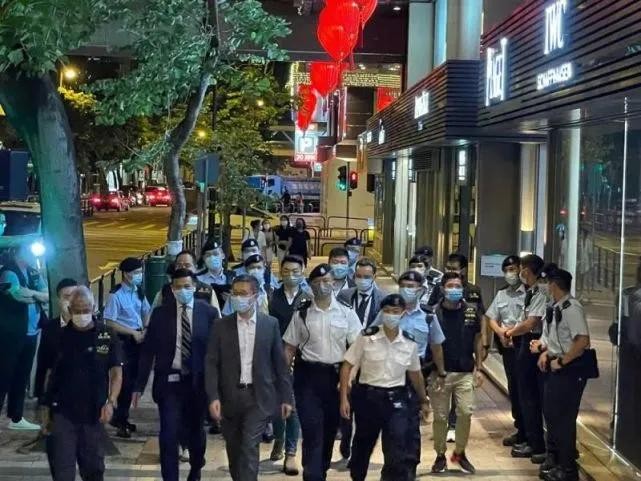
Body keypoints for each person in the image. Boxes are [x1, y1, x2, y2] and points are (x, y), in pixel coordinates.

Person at [133, 269, 219, 481]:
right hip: (169, 383)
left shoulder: (208, 313)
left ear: (195, 287)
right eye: (178, 287)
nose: (183, 290)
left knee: (196, 433)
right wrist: (139, 386)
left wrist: (217, 389)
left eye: (187, 286)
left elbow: (216, 353)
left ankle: (196, 467)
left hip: (198, 384)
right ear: (172, 289)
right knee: (169, 434)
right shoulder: (160, 314)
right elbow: (148, 351)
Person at [205, 275, 293, 481]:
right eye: (235, 293)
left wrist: (287, 398)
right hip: (230, 397)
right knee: (234, 450)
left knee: (249, 446)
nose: (238, 298)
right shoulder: (221, 326)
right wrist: (213, 396)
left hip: (258, 397)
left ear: (255, 296)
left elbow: (280, 365)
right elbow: (211, 363)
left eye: (243, 294)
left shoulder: (269, 324)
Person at [283, 264, 362, 481]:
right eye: (317, 282)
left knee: (328, 432)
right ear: (310, 286)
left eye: (326, 281)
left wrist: (349, 378)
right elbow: (289, 348)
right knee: (312, 431)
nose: (323, 286)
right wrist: (282, 380)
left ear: (334, 283)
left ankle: (320, 470)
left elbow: (358, 349)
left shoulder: (346, 313)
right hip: (308, 379)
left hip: (336, 379)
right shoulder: (302, 313)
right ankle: (313, 474)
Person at [340, 294, 431, 481]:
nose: (391, 315)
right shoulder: (367, 337)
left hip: (396, 402)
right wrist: (344, 398)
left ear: (403, 313)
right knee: (362, 447)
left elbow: (415, 375)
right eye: (387, 311)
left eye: (395, 312)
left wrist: (423, 400)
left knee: (397, 449)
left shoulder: (409, 342)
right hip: (368, 399)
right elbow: (347, 365)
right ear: (382, 312)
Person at [372, 270, 446, 481]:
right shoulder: (388, 313)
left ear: (421, 289)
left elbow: (436, 345)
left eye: (411, 286)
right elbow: (371, 338)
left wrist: (441, 373)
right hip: (389, 374)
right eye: (403, 285)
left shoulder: (428, 316)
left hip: (416, 376)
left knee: (412, 424)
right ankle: (390, 466)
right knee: (390, 423)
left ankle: (410, 465)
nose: (407, 290)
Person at [43, 286, 123, 481]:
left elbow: (116, 373)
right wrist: (45, 410)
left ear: (93, 308)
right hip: (63, 411)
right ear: (70, 310)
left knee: (93, 468)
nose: (82, 314)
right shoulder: (59, 336)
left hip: (94, 412)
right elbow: (49, 374)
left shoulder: (106, 335)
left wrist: (111, 401)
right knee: (63, 469)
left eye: (86, 309)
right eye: (77, 311)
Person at [531, 269, 592, 481]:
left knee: (563, 419)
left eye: (547, 283)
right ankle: (558, 461)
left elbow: (582, 341)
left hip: (570, 370)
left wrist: (562, 361)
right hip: (557, 367)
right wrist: (546, 352)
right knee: (553, 415)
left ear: (554, 285)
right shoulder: (557, 307)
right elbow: (559, 339)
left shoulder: (571, 308)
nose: (545, 287)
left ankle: (568, 470)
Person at [429, 272, 483, 474]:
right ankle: (440, 455)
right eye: (450, 286)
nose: (454, 289)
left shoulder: (471, 312)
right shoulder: (433, 313)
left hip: (465, 372)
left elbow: (478, 339)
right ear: (442, 289)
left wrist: (479, 367)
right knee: (440, 417)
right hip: (439, 374)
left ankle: (459, 453)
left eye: (458, 286)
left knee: (465, 412)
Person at [335, 257, 387, 461]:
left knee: (365, 406)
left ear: (374, 276)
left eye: (366, 276)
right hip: (346, 356)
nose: (362, 280)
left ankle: (359, 447)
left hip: (370, 358)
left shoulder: (383, 299)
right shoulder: (344, 296)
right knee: (345, 398)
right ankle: (346, 435)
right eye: (358, 276)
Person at [0, 243, 49, 431]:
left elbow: (46, 295)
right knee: (4, 375)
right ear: (19, 252)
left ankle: (16, 417)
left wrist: (33, 294)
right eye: (30, 250)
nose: (34, 255)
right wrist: (35, 295)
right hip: (11, 334)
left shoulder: (33, 273)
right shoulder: (8, 272)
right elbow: (17, 295)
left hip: (31, 332)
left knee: (21, 375)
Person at [268, 255, 310, 475]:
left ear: (303, 272)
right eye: (286, 271)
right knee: (277, 404)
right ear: (280, 272)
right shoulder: (271, 297)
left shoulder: (309, 298)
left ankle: (291, 452)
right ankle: (279, 437)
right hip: (274, 357)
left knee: (292, 405)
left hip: (301, 359)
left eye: (295, 271)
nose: (291, 275)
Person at [504, 254, 548, 463]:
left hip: (533, 344)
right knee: (523, 394)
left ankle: (535, 443)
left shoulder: (540, 292)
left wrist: (510, 332)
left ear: (527, 271)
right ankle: (528, 437)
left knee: (530, 396)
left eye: (520, 268)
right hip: (525, 342)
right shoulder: (532, 291)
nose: (519, 272)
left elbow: (531, 323)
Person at [103, 257, 151, 438]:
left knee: (134, 381)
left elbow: (146, 312)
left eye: (140, 272)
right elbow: (109, 322)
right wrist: (132, 332)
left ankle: (123, 417)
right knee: (125, 382)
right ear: (126, 274)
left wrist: (145, 329)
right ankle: (119, 419)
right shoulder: (116, 295)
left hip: (138, 339)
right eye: (136, 272)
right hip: (123, 341)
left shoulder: (139, 292)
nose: (139, 275)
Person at [485, 255, 527, 448]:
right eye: (507, 270)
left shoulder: (529, 293)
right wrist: (501, 333)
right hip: (507, 346)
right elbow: (491, 317)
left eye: (513, 269)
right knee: (514, 388)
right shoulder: (502, 294)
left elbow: (531, 321)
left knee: (525, 389)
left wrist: (511, 333)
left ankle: (529, 432)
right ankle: (520, 428)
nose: (510, 273)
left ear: (521, 270)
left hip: (523, 345)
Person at [35, 279, 78, 407]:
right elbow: (43, 363)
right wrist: (40, 395)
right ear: (59, 300)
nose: (72, 301)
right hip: (57, 393)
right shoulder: (49, 328)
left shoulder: (93, 326)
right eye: (67, 297)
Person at [154, 251, 220, 312]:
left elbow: (217, 317)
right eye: (179, 265)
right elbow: (153, 315)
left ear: (195, 268)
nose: (183, 268)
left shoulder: (208, 290)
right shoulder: (165, 290)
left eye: (187, 265)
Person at [197, 239, 235, 309]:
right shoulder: (198, 279)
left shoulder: (233, 277)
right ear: (204, 258)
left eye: (215, 254)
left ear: (223, 255)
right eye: (208, 255)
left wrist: (232, 300)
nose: (212, 257)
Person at [262, 219, 276, 284]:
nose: (266, 225)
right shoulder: (261, 232)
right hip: (262, 250)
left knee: (268, 265)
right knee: (263, 264)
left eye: (267, 223)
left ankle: (269, 278)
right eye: (265, 223)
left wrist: (271, 243)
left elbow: (275, 240)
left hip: (270, 249)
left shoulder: (273, 232)